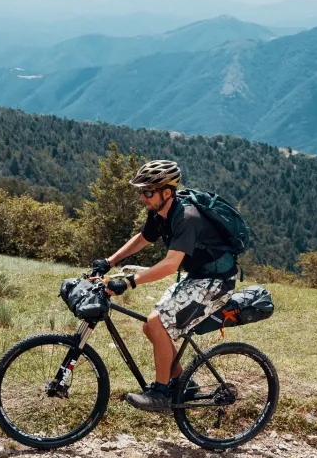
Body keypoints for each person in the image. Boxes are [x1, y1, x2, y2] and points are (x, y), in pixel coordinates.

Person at [93, 160, 239, 412]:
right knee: (151, 327)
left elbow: (171, 265)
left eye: (148, 192)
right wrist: (109, 261)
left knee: (156, 322)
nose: (143, 197)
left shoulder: (187, 218)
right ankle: (184, 384)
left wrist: (128, 281)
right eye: (142, 191)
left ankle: (160, 394)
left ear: (167, 192)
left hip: (217, 282)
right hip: (198, 277)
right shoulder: (159, 212)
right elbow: (143, 238)